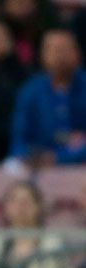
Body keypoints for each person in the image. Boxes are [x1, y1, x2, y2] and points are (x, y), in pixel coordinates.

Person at [8, 29, 86, 170]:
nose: (59, 56)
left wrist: (59, 158)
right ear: (43, 55)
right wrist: (33, 156)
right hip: (41, 168)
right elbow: (19, 141)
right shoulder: (30, 91)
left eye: (65, 49)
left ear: (78, 53)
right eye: (53, 50)